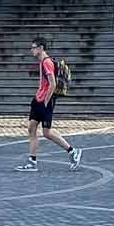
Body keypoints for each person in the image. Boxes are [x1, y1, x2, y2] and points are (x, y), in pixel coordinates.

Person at [20, 38, 80, 171]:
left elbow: (52, 84)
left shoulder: (47, 62)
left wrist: (46, 101)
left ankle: (72, 151)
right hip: (38, 99)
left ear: (41, 48)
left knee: (47, 133)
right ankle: (32, 162)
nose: (32, 50)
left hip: (44, 101)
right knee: (31, 127)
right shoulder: (42, 62)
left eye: (34, 47)